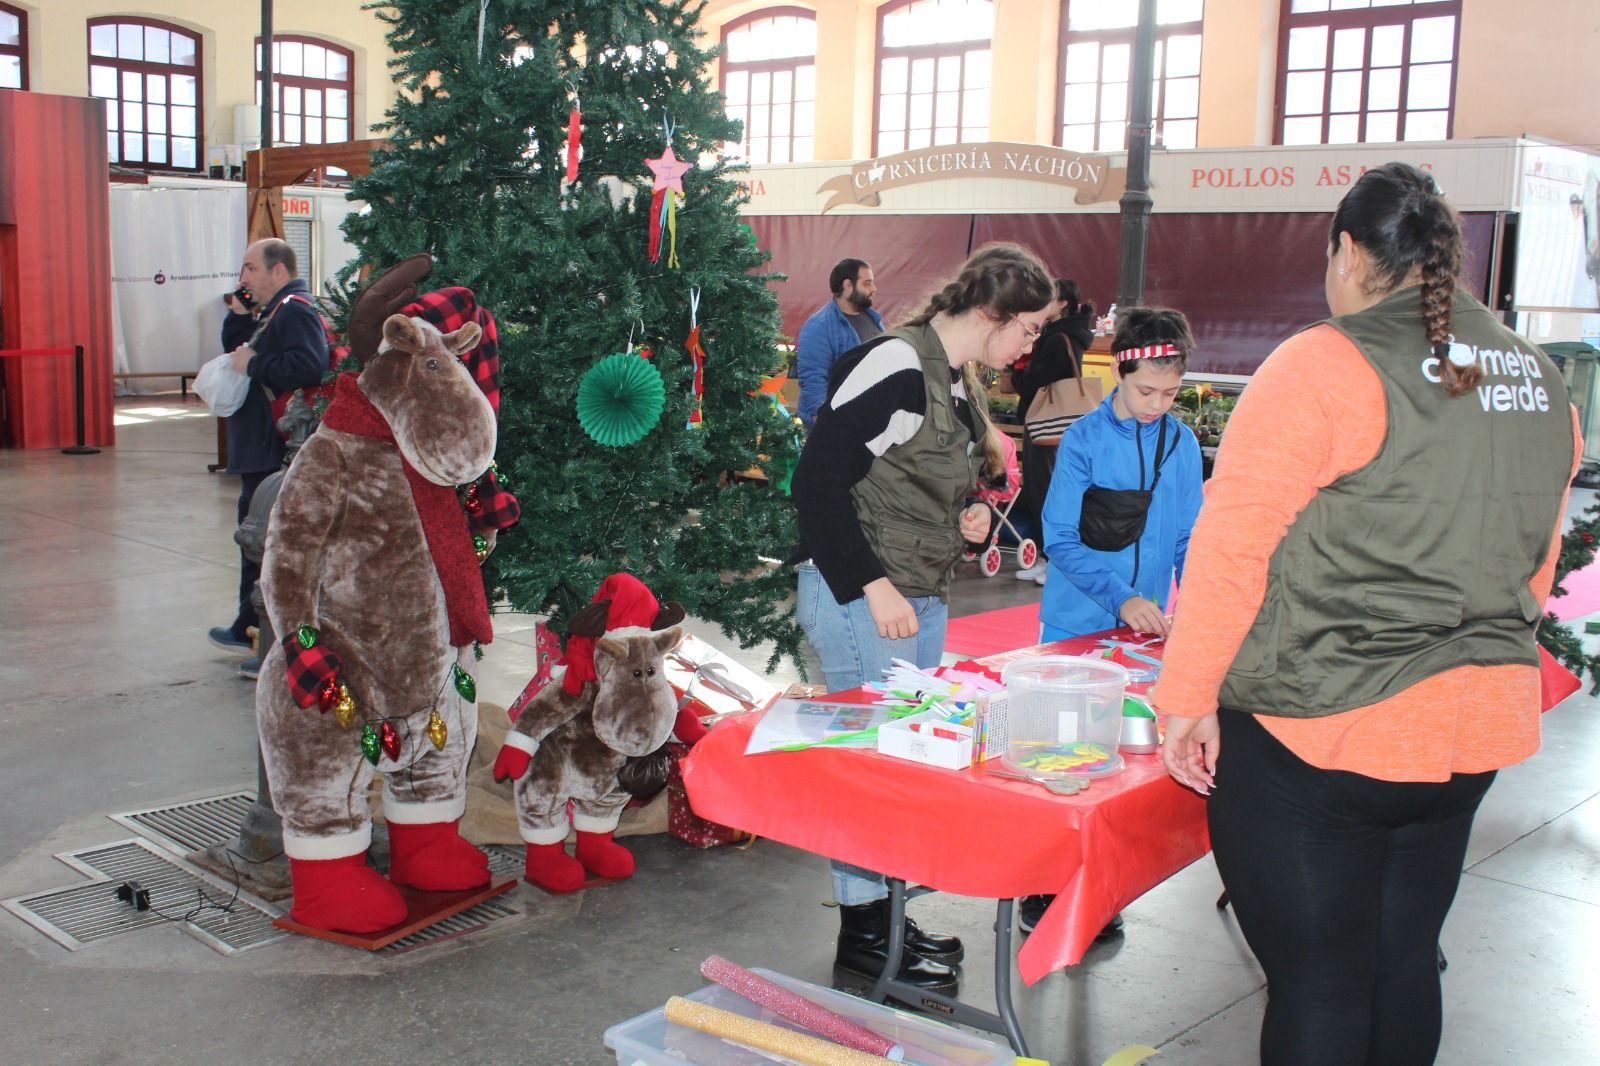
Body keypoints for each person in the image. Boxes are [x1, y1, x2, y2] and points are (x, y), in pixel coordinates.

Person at [1157, 162, 1578, 1066]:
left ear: (1348, 251)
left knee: (1320, 984)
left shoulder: (1324, 363)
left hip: (1325, 734)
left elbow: (1232, 549)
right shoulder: (1539, 376)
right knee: (1400, 960)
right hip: (1471, 734)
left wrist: (1185, 697)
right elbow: (1536, 562)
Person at [790, 243, 1053, 993]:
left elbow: (910, 480)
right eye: (1028, 330)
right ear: (991, 314)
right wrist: (871, 585)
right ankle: (866, 939)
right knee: (870, 774)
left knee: (897, 767)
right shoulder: (898, 366)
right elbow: (817, 482)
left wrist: (968, 514)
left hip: (912, 592)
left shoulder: (952, 377)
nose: (1030, 346)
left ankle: (884, 919)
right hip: (864, 596)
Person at [1018, 307, 1204, 935]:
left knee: (1115, 765)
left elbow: (1187, 538)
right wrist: (1121, 595)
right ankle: (1044, 889)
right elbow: (1060, 538)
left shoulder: (1180, 444)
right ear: (1118, 374)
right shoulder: (1084, 440)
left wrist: (1196, 606)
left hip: (1140, 630)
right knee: (1060, 760)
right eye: (1145, 391)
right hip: (1077, 622)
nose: (1157, 404)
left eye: (1171, 393)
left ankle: (1096, 887)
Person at [206, 238, 330, 678]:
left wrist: (255, 365)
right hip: (260, 446)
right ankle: (248, 624)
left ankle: (266, 639)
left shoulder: (294, 309)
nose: (243, 278)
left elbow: (311, 364)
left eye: (250, 268)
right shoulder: (274, 310)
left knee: (264, 541)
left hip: (272, 450)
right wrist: (239, 319)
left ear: (278, 271)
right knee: (253, 537)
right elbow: (240, 354)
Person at [1012, 279, 1096, 584]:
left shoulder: (1059, 338)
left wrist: (1019, 373)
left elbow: (1036, 380)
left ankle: (1054, 561)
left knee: (1044, 490)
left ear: (1062, 304)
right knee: (1046, 489)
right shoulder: (1068, 335)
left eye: (1050, 298)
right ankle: (1048, 559)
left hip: (1047, 425)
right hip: (1059, 425)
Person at [795, 258, 883, 429]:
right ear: (848, 286)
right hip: (839, 425)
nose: (874, 289)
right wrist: (824, 427)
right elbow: (813, 380)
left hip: (868, 420)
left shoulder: (873, 319)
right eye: (867, 283)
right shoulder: (819, 326)